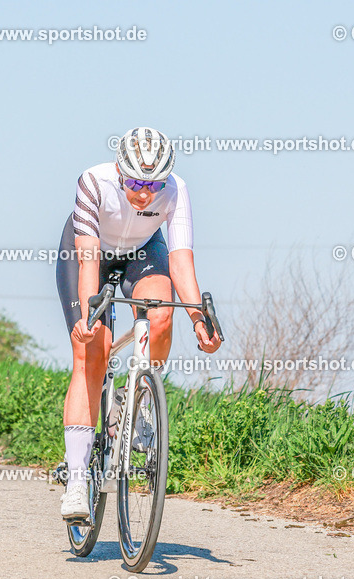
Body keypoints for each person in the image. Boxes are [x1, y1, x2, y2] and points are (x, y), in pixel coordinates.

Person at [54, 126, 221, 519]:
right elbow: (89, 258)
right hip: (89, 254)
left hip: (142, 251)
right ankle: (77, 481)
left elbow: (181, 262)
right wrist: (87, 317)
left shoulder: (176, 189)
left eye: (153, 184)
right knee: (91, 352)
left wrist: (199, 318)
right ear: (118, 169)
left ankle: (141, 401)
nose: (144, 193)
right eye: (134, 182)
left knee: (161, 316)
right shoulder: (93, 181)